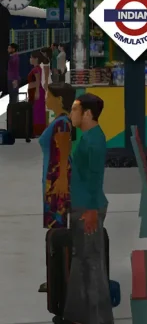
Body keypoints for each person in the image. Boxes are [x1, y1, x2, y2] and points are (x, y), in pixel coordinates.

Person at [64, 93, 114, 324]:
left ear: (87, 114)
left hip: (87, 209)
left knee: (92, 264)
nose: (71, 114)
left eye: (75, 109)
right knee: (82, 261)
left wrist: (92, 211)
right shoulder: (87, 137)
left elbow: (95, 177)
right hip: (82, 205)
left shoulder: (93, 140)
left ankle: (98, 318)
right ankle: (79, 315)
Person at [37, 82, 75, 294]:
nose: (45, 99)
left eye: (49, 96)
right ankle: (56, 277)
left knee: (57, 232)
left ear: (59, 100)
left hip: (56, 184)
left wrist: (61, 180)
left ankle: (57, 279)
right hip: (54, 181)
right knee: (56, 231)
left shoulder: (61, 124)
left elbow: (63, 153)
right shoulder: (61, 121)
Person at [27, 50, 47, 136]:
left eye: (31, 57)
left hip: (36, 92)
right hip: (36, 91)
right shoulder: (39, 68)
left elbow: (38, 81)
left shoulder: (36, 69)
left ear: (36, 59)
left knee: (37, 111)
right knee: (39, 111)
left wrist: (37, 92)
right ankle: (40, 129)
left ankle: (38, 130)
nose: (30, 59)